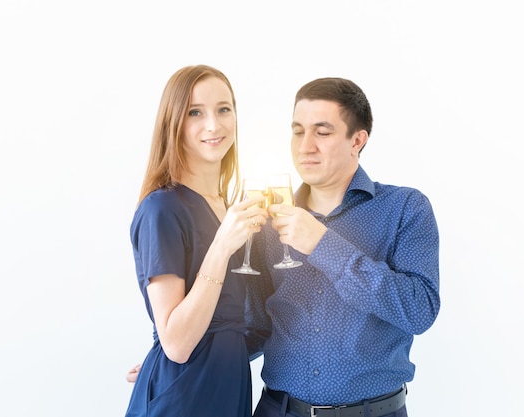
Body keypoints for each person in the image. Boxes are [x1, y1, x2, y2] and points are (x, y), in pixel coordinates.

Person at [247, 77, 441, 417]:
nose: (305, 146)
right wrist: (180, 361)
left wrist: (323, 244)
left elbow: (419, 310)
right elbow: (253, 326)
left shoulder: (406, 208)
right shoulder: (268, 222)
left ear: (358, 140)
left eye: (322, 132)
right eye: (297, 131)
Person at [124, 64, 268, 417]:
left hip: (227, 387)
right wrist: (221, 247)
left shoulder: (233, 209)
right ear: (173, 123)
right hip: (185, 400)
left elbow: (240, 325)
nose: (213, 125)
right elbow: (176, 344)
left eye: (224, 109)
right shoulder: (162, 209)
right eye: (195, 113)